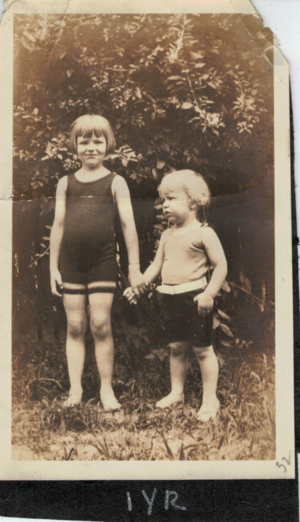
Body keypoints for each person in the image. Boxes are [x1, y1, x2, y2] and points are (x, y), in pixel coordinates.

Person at [50, 114, 145, 410]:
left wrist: (133, 268)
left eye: (98, 140)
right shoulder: (65, 183)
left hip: (103, 260)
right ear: (74, 145)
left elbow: (128, 226)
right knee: (76, 325)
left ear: (109, 144)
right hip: (70, 262)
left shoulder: (116, 182)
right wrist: (53, 266)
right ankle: (75, 391)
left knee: (100, 323)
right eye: (84, 140)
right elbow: (59, 225)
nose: (91, 146)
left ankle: (107, 390)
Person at [124, 170, 227, 421]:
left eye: (171, 199)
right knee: (176, 348)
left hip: (195, 299)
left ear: (193, 201)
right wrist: (139, 285)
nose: (165, 205)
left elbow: (221, 266)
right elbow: (155, 267)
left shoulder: (204, 233)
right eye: (163, 201)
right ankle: (177, 392)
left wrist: (209, 294)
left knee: (203, 350)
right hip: (169, 299)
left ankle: (210, 399)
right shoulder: (166, 235)